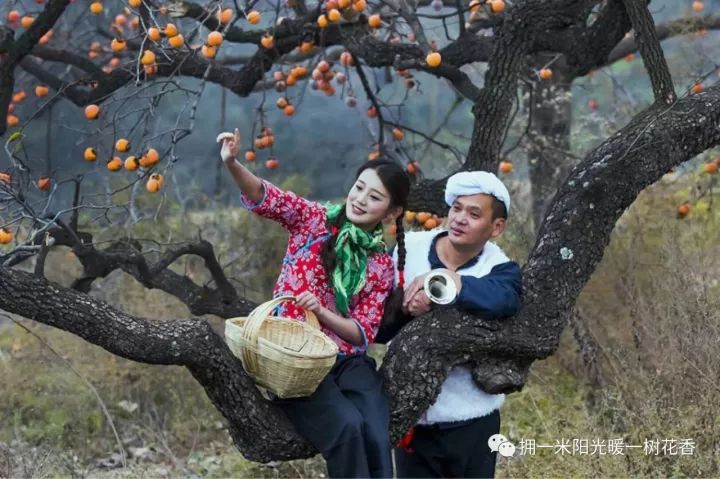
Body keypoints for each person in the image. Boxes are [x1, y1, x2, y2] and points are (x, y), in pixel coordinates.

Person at [217, 128, 410, 478]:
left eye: (375, 197)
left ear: (391, 213)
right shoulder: (313, 220)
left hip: (346, 361)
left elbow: (361, 334)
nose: (361, 199)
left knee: (376, 432)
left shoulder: (380, 264)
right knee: (347, 428)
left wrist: (322, 312)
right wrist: (232, 163)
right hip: (296, 359)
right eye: (360, 187)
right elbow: (266, 196)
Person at [379, 171, 522, 479]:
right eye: (456, 209)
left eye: (474, 214)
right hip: (413, 419)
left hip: (474, 419)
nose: (459, 219)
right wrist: (403, 308)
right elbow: (378, 327)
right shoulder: (410, 248)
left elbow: (505, 299)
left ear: (496, 227)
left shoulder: (499, 268)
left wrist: (455, 282)